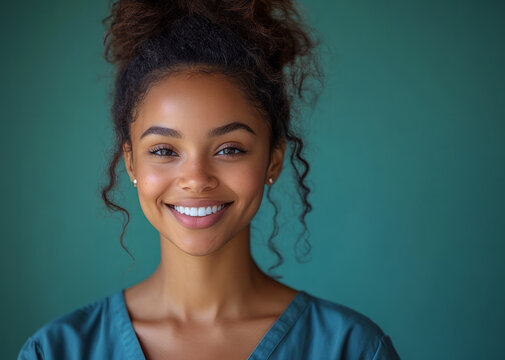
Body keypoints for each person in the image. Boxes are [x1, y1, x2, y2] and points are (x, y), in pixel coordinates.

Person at [17, 1, 401, 359]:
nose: (196, 180)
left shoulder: (352, 349)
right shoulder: (55, 350)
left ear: (273, 161)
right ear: (131, 163)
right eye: (164, 150)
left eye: (229, 149)